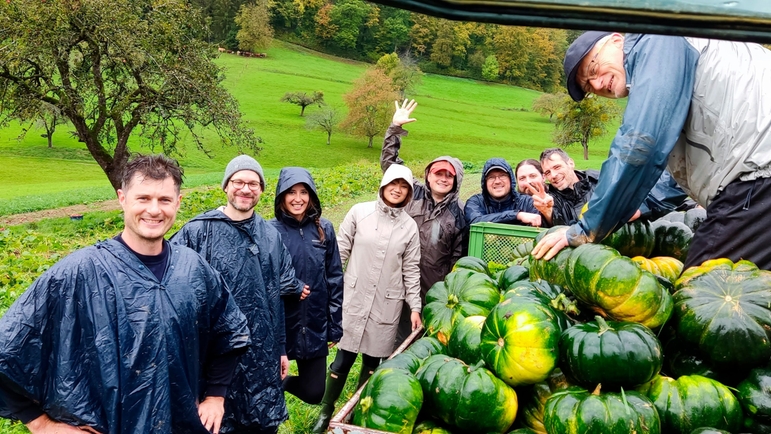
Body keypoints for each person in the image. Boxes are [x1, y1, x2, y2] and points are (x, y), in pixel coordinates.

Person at [0, 154, 250, 434]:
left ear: (178, 203)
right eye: (143, 198)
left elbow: (230, 331)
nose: (154, 210)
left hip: (181, 423)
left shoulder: (192, 269)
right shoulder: (80, 271)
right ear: (122, 198)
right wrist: (41, 423)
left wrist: (216, 395)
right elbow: (8, 349)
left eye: (164, 200)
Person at [533, 31, 771, 270]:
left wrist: (585, 229)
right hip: (755, 176)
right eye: (588, 87)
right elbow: (686, 163)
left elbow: (640, 144)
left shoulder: (657, 39)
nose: (596, 85)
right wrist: (644, 204)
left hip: (757, 176)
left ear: (617, 40)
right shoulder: (671, 71)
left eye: (593, 69)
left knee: (703, 291)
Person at [171, 155, 309, 434]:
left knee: (259, 420)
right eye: (238, 182)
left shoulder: (270, 235)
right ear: (226, 186)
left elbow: (277, 295)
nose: (245, 189)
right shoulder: (198, 232)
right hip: (214, 355)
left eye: (253, 184)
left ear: (260, 190)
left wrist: (281, 348)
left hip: (262, 351)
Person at [311, 163, 422, 434]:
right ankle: (326, 411)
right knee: (342, 358)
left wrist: (415, 306)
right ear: (383, 185)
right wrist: (328, 291)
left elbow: (411, 269)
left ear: (409, 194)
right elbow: (338, 254)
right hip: (355, 297)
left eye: (404, 186)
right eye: (393, 183)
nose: (397, 190)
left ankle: (358, 410)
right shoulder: (360, 212)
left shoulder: (409, 227)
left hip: (387, 302)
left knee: (373, 364)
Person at [381, 99, 465, 348]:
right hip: (396, 282)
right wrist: (395, 128)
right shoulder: (412, 193)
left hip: (430, 291)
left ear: (456, 181)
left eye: (448, 175)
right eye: (438, 173)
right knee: (388, 340)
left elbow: (457, 259)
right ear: (428, 175)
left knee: (419, 344)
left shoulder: (459, 214)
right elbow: (390, 165)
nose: (442, 178)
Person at [268, 168, 344, 408]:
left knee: (314, 392)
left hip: (314, 323)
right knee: (267, 394)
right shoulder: (269, 231)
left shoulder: (325, 228)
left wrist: (335, 325)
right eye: (291, 192)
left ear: (312, 196)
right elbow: (262, 278)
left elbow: (334, 277)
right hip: (281, 325)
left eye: (304, 192)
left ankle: (284, 383)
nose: (298, 198)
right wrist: (289, 286)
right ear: (281, 195)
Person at [464, 158, 542, 227]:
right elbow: (475, 222)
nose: (497, 181)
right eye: (491, 177)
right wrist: (517, 215)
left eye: (502, 176)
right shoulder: (475, 202)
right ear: (485, 182)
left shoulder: (527, 202)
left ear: (511, 179)